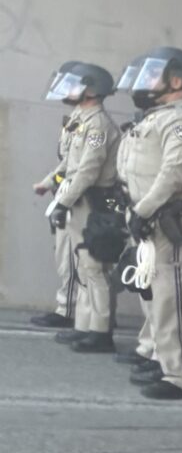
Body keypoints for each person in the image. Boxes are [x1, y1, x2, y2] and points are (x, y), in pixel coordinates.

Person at [112, 47, 182, 403]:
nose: (146, 83)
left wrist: (144, 210)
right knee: (153, 294)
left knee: (172, 299)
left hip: (170, 223)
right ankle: (160, 355)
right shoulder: (159, 116)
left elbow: (172, 175)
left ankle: (181, 376)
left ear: (176, 80)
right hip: (148, 218)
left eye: (155, 75)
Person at [38, 62, 120, 353]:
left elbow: (88, 170)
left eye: (76, 85)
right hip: (77, 198)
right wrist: (50, 184)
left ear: (91, 89)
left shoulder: (97, 124)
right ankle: (85, 326)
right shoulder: (82, 119)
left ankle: (99, 330)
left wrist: (63, 201)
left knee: (93, 267)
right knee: (83, 267)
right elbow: (70, 163)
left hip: (91, 202)